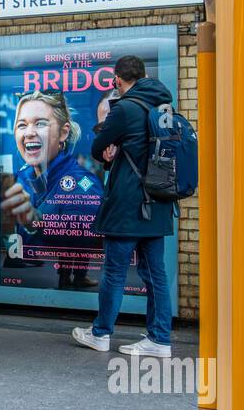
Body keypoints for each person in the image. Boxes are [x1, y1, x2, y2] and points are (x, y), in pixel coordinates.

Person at [71, 55, 174, 357]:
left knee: (115, 272)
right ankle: (160, 339)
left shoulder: (125, 107)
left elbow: (96, 148)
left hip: (128, 202)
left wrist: (109, 149)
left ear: (117, 80)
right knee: (156, 274)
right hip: (158, 202)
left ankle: (101, 333)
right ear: (143, 76)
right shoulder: (164, 107)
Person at [0, 90, 102, 286]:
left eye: (40, 123)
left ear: (63, 132)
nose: (29, 132)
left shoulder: (81, 182)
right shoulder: (22, 176)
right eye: (22, 125)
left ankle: (77, 277)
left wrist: (37, 221)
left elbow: (82, 233)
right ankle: (69, 278)